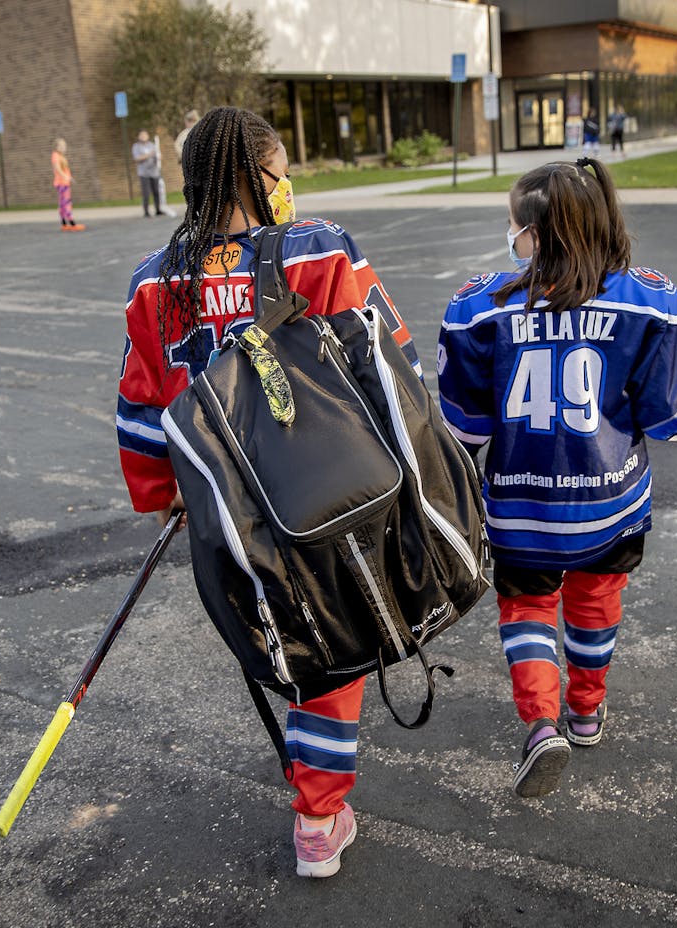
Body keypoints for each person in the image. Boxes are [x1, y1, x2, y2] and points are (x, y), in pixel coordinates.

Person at [114, 107, 418, 877]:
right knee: (330, 647)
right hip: (319, 487)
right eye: (280, 175)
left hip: (221, 503)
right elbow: (391, 353)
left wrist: (158, 493)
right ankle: (319, 815)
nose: (289, 190)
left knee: (280, 632)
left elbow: (141, 401)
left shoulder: (156, 280)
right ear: (256, 178)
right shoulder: (319, 247)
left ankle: (315, 790)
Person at [436, 157, 677, 799]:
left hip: (520, 510)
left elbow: (465, 430)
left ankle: (542, 724)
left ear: (537, 234)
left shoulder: (477, 307)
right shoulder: (653, 300)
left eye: (515, 226)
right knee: (595, 603)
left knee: (527, 608)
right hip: (610, 505)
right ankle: (587, 710)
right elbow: (676, 418)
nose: (510, 237)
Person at [131, 129, 175, 218]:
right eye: (141, 135)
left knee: (156, 191)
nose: (143, 137)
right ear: (139, 137)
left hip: (154, 172)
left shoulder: (152, 145)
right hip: (144, 173)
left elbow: (157, 156)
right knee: (146, 193)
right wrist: (149, 155)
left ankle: (158, 210)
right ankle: (146, 211)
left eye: (145, 135)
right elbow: (136, 158)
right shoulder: (136, 146)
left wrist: (159, 157)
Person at [51, 138, 85, 231]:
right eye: (60, 146)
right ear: (56, 147)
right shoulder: (55, 155)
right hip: (62, 183)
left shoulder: (61, 156)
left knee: (62, 203)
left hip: (65, 183)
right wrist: (65, 177)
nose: (63, 147)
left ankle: (64, 222)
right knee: (67, 202)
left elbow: (64, 169)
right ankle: (72, 222)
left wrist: (69, 178)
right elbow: (57, 168)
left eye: (64, 146)